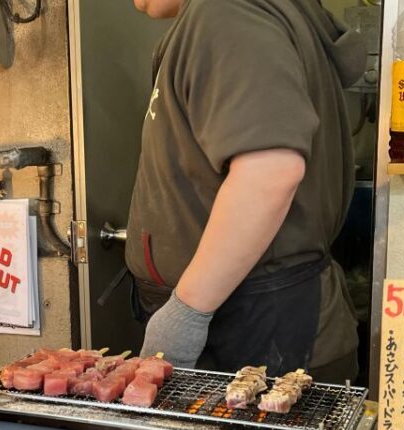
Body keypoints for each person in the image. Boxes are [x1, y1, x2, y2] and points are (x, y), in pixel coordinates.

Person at [126, 0, 366, 383]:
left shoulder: (227, 12)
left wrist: (186, 312)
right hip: (254, 324)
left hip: (260, 338)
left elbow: (269, 172)